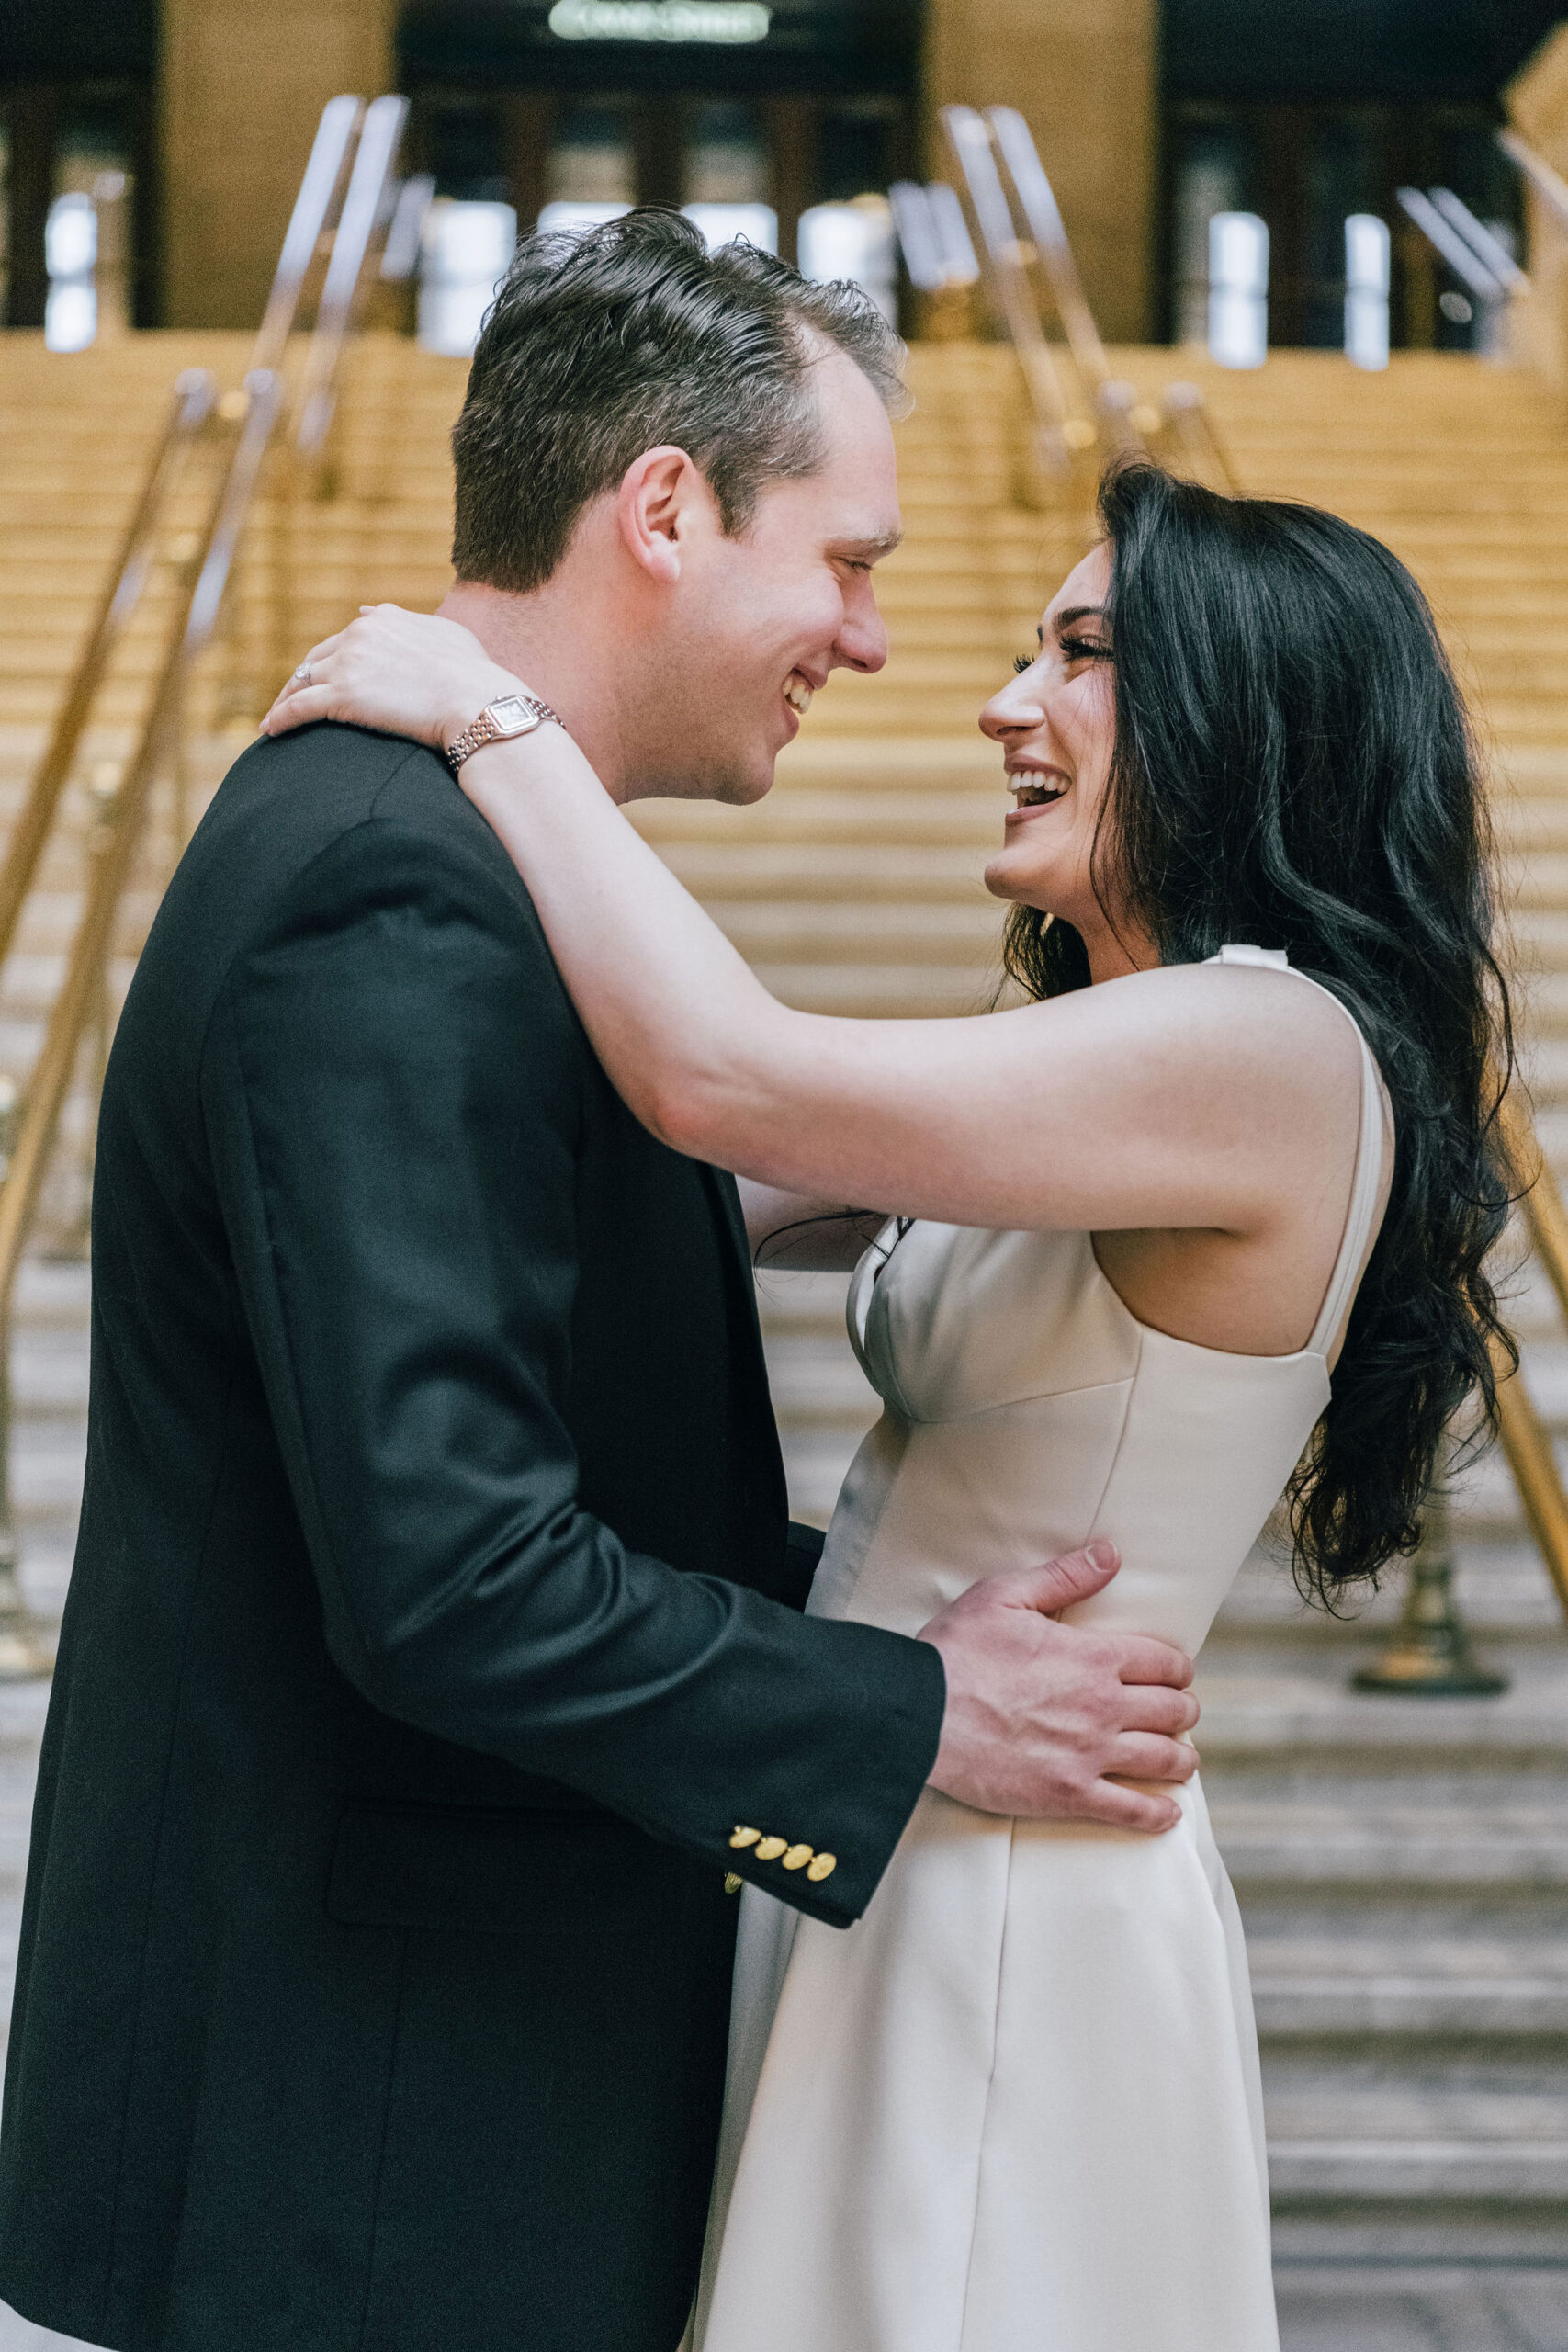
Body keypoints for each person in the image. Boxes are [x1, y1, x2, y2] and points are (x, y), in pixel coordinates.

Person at [0, 216, 1204, 2352]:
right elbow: (458, 1575)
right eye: (843, 560)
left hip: (418, 2103)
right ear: (662, 506)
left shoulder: (471, 860)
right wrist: (920, 1709)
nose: (869, 637)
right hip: (360, 2147)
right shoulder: (394, 883)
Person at [266, 449, 1516, 2349]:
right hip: (892, 1800)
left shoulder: (1267, 1047)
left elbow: (722, 1083)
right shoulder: (1094, 1053)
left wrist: (489, 712)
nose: (1005, 699)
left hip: (1012, 1898)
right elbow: (688, 1190)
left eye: (1082, 652)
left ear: (1244, 709)